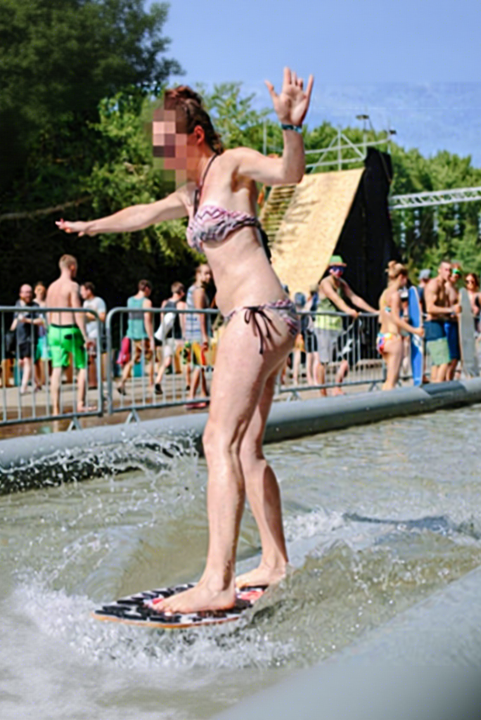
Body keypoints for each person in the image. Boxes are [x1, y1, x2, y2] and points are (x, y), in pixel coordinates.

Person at [57, 67, 313, 615]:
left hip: (255, 316)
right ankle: (274, 561)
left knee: (216, 441)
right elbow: (143, 214)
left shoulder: (233, 165)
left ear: (194, 135)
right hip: (268, 318)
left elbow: (288, 173)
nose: (161, 154)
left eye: (166, 143)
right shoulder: (190, 193)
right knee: (246, 446)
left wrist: (291, 128)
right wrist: (92, 227)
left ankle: (217, 582)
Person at [314, 255, 377, 396]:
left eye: (341, 268)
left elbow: (354, 298)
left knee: (349, 355)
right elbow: (336, 299)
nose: (339, 271)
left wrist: (374, 311)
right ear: (329, 269)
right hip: (324, 325)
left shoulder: (342, 283)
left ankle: (337, 386)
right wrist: (349, 311)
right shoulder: (325, 283)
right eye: (335, 268)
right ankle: (322, 393)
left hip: (338, 326)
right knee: (324, 360)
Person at [45, 255, 93, 415]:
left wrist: (49, 329)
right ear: (72, 266)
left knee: (57, 368)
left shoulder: (52, 286)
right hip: (69, 329)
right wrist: (85, 336)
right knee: (82, 366)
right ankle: (80, 403)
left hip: (54, 330)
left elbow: (48, 311)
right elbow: (77, 311)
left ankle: (55, 408)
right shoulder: (72, 286)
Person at [377, 262, 424, 390]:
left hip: (381, 338)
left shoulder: (384, 294)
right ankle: (387, 402)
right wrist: (415, 330)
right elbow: (396, 319)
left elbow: (382, 318)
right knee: (392, 382)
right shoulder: (395, 295)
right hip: (393, 339)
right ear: (402, 277)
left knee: (388, 380)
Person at [117, 279, 155, 395]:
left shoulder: (130, 300)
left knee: (132, 360)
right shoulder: (147, 302)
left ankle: (122, 382)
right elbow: (147, 320)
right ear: (147, 289)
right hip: (143, 334)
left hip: (132, 334)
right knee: (151, 359)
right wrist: (151, 337)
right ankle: (151, 385)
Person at [183, 264, 213, 407]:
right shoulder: (198, 291)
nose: (208, 277)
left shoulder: (194, 290)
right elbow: (200, 314)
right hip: (197, 333)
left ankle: (203, 394)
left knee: (200, 364)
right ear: (198, 274)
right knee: (199, 364)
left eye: (209, 273)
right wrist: (205, 335)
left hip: (192, 332)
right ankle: (191, 397)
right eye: (205, 273)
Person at [423, 260, 458, 382]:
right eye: (446, 270)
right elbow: (430, 308)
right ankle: (438, 386)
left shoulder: (444, 286)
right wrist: (451, 309)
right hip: (433, 325)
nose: (449, 273)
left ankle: (435, 386)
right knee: (444, 360)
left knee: (437, 361)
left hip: (439, 324)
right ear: (439, 270)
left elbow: (441, 310)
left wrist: (450, 315)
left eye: (450, 270)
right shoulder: (434, 285)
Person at [153, 281, 187, 394]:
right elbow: (182, 320)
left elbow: (162, 318)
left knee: (167, 360)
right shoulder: (181, 304)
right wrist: (184, 334)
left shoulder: (165, 303)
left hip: (166, 335)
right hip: (177, 336)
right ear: (181, 292)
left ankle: (158, 381)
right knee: (185, 358)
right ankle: (189, 384)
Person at [10, 284, 42, 394]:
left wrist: (26, 320)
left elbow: (40, 321)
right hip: (20, 339)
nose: (28, 295)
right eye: (25, 292)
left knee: (28, 361)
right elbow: (16, 319)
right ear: (21, 293)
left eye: (29, 292)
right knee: (23, 363)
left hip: (30, 338)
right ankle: (37, 383)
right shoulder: (18, 304)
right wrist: (12, 330)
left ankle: (23, 387)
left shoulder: (35, 306)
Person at [80, 281, 107, 389]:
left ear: (89, 291)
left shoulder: (98, 301)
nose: (81, 294)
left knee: (93, 356)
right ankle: (92, 381)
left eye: (82, 291)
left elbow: (102, 317)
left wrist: (87, 315)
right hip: (88, 333)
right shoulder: (85, 303)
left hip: (96, 333)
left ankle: (95, 382)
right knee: (89, 357)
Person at [444, 264, 462, 380]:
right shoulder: (446, 288)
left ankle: (449, 379)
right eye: (454, 273)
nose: (456, 276)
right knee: (450, 357)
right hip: (448, 324)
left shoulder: (455, 289)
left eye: (458, 274)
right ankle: (446, 380)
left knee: (455, 357)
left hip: (455, 323)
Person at [33, 281, 49, 388]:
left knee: (44, 358)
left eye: (42, 290)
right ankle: (36, 381)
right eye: (38, 290)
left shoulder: (46, 303)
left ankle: (44, 379)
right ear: (35, 291)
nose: (40, 292)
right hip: (34, 333)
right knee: (34, 358)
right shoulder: (32, 303)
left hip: (44, 333)